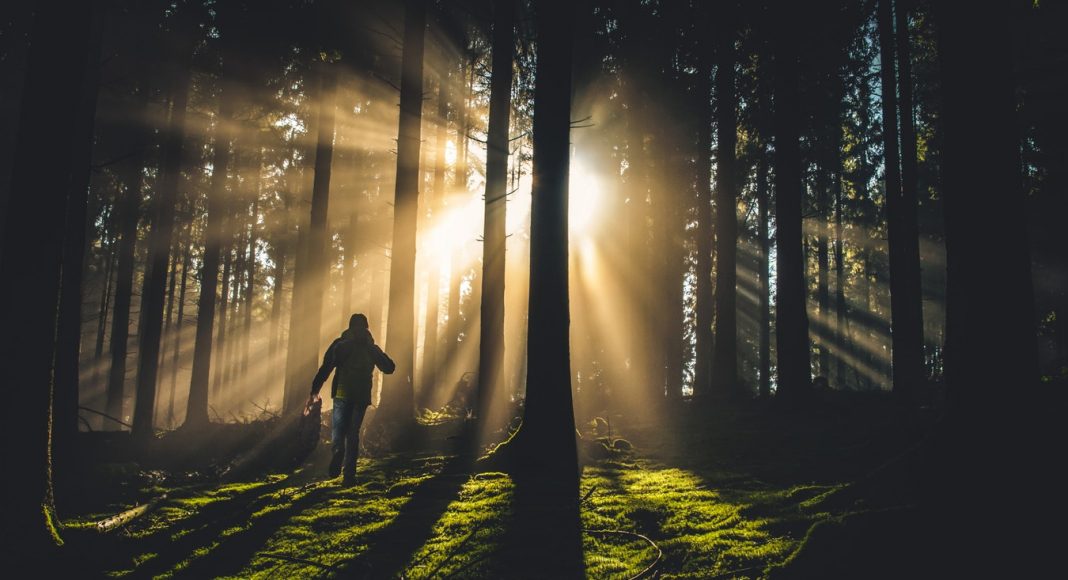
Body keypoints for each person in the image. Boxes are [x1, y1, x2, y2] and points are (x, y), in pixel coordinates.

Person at [307, 313, 395, 485]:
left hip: (342, 392)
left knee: (339, 430)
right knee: (353, 433)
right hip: (361, 395)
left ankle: (338, 452)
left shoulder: (340, 345)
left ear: (349, 327)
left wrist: (314, 390)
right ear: (367, 327)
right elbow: (389, 368)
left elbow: (326, 368)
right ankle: (349, 476)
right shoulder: (371, 348)